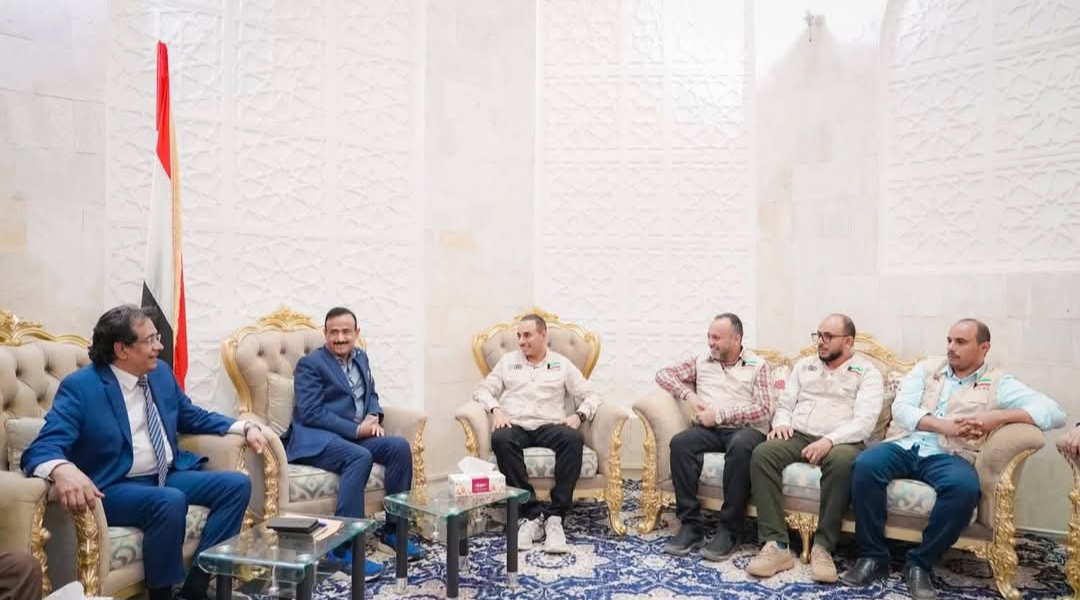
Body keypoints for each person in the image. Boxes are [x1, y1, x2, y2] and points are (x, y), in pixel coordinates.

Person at [21, 305, 265, 600]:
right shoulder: (82, 387)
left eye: (157, 337)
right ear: (121, 349)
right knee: (169, 501)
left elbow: (190, 415)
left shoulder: (160, 373)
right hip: (114, 484)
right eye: (149, 340)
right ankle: (162, 594)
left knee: (236, 484)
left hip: (163, 474)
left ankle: (197, 586)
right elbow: (42, 447)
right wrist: (62, 468)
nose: (159, 347)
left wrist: (243, 426)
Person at [841, 318, 1066, 600]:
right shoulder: (927, 369)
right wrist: (942, 425)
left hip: (951, 454)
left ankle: (919, 563)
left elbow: (1054, 412)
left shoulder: (998, 382)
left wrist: (998, 417)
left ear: (984, 348)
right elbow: (902, 408)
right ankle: (872, 556)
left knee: (964, 488)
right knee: (865, 466)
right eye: (949, 340)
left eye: (960, 342)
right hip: (906, 443)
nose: (951, 347)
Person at [287, 307, 423, 580]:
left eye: (346, 332)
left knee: (399, 447)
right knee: (359, 456)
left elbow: (371, 394)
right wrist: (356, 429)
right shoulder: (310, 364)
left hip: (354, 436)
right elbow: (311, 412)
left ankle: (393, 531)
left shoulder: (361, 357)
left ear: (356, 333)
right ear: (325, 333)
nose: (340, 338)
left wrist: (374, 415)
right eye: (334, 332)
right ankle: (343, 549)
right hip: (318, 439)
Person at [746, 313, 883, 583]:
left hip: (842, 440)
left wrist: (829, 440)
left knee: (841, 463)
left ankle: (823, 547)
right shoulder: (804, 366)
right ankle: (776, 545)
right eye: (818, 335)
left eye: (828, 336)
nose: (820, 341)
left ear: (848, 341)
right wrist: (782, 424)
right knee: (763, 453)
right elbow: (785, 405)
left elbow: (864, 422)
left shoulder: (867, 373)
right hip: (799, 433)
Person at [472, 313, 603, 554]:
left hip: (549, 424)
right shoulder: (508, 362)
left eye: (527, 335)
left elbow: (592, 394)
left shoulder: (561, 364)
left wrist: (579, 415)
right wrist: (496, 410)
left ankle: (555, 517)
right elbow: (482, 390)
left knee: (573, 438)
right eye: (519, 336)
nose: (521, 341)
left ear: (543, 335)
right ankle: (530, 514)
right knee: (501, 438)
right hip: (516, 423)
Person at [658, 313, 774, 561]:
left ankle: (730, 530)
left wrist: (720, 415)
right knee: (680, 443)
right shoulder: (702, 361)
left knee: (741, 447)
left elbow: (765, 408)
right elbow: (663, 374)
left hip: (746, 430)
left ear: (736, 339)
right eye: (709, 336)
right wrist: (688, 395)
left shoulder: (758, 366)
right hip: (710, 430)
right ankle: (691, 525)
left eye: (717, 338)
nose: (711, 343)